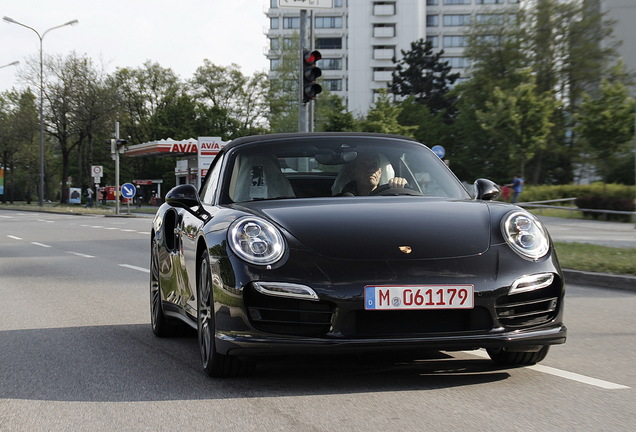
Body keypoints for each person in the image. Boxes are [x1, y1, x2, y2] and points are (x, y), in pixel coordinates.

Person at [339, 152, 407, 195]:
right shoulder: (341, 200)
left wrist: (401, 187)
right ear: (354, 173)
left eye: (373, 166)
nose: (370, 169)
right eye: (364, 165)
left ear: (380, 173)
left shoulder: (389, 196)